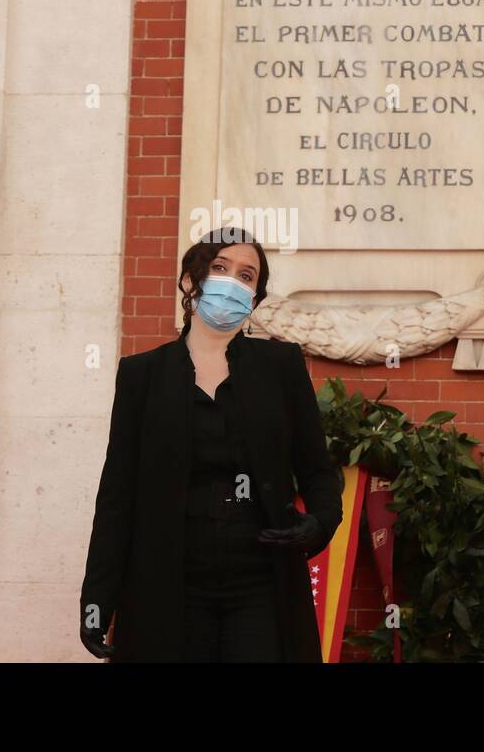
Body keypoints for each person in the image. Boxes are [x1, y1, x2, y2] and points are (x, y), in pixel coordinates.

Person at [80, 227, 343, 661]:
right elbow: (117, 494)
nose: (231, 281)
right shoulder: (142, 375)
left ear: (255, 296)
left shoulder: (281, 367)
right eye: (220, 268)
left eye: (246, 275)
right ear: (189, 280)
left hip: (261, 581)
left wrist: (319, 521)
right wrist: (97, 599)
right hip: (168, 582)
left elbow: (317, 468)